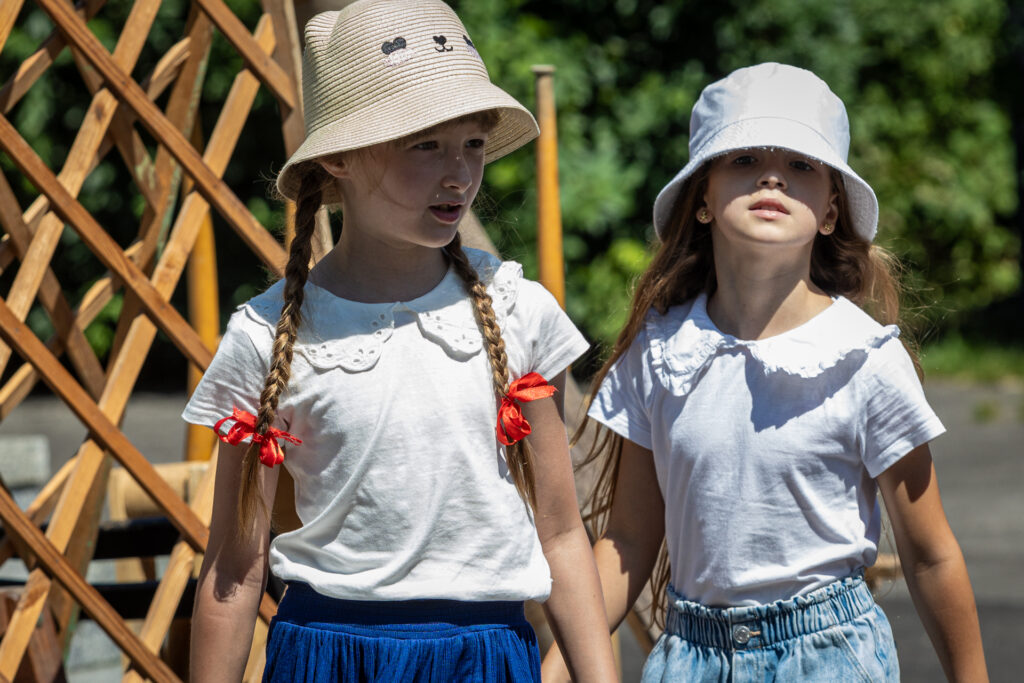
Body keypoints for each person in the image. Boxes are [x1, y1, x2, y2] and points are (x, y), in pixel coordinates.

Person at [184, 2, 617, 681]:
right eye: (425, 144)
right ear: (339, 157)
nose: (458, 174)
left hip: (486, 658)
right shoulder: (268, 337)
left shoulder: (518, 313)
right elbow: (235, 571)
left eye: (472, 143)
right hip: (326, 657)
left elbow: (561, 534)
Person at [542, 62, 988, 682]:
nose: (772, 175)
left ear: (831, 210)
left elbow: (931, 554)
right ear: (702, 196)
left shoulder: (865, 359)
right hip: (688, 658)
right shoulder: (659, 354)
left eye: (802, 165)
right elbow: (628, 544)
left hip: (831, 659)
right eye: (744, 158)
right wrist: (557, 669)